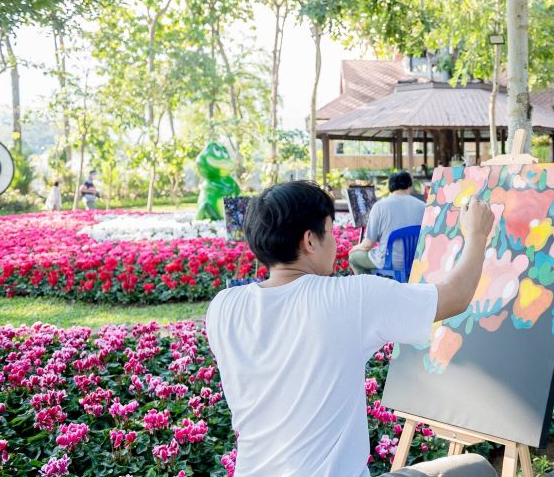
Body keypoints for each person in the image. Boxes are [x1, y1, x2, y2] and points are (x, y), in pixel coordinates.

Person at [205, 181, 495, 476]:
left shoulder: (222, 308)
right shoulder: (348, 298)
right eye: (330, 231)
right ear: (310, 241)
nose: (336, 242)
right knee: (476, 468)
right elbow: (456, 296)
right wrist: (477, 234)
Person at [349, 171, 425, 275]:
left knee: (354, 257)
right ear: (409, 185)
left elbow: (367, 245)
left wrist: (354, 248)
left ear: (390, 186)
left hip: (390, 262)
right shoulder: (423, 206)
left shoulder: (379, 207)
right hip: (416, 261)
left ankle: (371, 288)